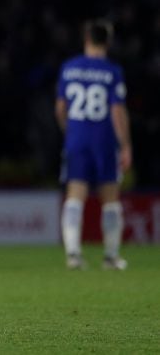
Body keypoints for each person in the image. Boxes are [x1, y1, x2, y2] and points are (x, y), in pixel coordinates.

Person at [55, 19, 131, 271]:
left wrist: (71, 131)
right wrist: (126, 145)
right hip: (104, 140)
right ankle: (110, 257)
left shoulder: (69, 68)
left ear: (86, 39)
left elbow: (60, 109)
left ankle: (73, 255)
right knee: (110, 198)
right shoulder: (112, 71)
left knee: (75, 195)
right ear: (108, 41)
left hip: (76, 138)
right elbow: (117, 111)